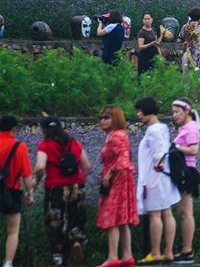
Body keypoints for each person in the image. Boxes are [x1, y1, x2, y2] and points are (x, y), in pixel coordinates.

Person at [34, 117, 90, 266]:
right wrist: (80, 181)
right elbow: (87, 166)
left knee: (54, 221)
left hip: (55, 188)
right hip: (77, 186)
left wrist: (36, 182)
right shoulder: (74, 143)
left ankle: (57, 254)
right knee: (76, 217)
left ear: (45, 130)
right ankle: (76, 241)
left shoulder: (45, 145)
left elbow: (40, 167)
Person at [134, 97, 180, 264]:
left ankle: (155, 252)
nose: (138, 114)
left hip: (154, 177)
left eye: (140, 111)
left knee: (155, 215)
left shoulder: (153, 130)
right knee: (167, 213)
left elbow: (158, 155)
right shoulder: (162, 127)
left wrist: (154, 170)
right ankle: (168, 251)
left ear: (148, 110)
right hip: (164, 177)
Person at [96, 105, 138, 267]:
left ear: (116, 118)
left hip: (116, 180)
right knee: (122, 220)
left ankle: (113, 257)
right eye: (101, 118)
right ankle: (127, 256)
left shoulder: (115, 137)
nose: (102, 121)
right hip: (122, 179)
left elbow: (123, 159)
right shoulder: (120, 135)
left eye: (107, 117)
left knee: (112, 218)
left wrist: (109, 174)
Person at [0, 116, 34, 267]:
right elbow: (27, 175)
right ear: (14, 129)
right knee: (12, 231)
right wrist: (30, 193)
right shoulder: (19, 147)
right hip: (11, 192)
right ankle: (8, 263)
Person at [171, 99, 200, 265]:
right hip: (182, 171)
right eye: (173, 112)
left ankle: (187, 250)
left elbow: (193, 150)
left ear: (187, 111)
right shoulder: (185, 127)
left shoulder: (190, 128)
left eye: (177, 112)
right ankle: (185, 249)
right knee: (182, 212)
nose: (174, 115)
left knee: (186, 213)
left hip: (187, 172)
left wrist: (175, 147)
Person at [177, 7, 200, 83]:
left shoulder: (185, 27)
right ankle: (199, 92)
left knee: (186, 76)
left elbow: (179, 40)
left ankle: (187, 92)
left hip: (188, 54)